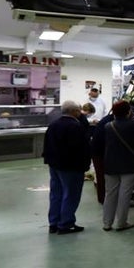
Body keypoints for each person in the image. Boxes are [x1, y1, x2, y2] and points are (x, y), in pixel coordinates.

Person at [92, 100, 134, 232]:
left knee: (110, 194)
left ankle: (107, 223)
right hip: (129, 164)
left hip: (110, 164)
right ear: (128, 112)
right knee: (124, 195)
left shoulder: (108, 126)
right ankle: (121, 223)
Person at [42, 101, 91, 235]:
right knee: (71, 195)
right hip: (71, 167)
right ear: (75, 112)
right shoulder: (76, 127)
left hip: (55, 165)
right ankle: (66, 224)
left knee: (56, 194)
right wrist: (85, 165)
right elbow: (82, 148)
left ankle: (54, 223)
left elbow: (46, 145)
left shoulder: (53, 125)